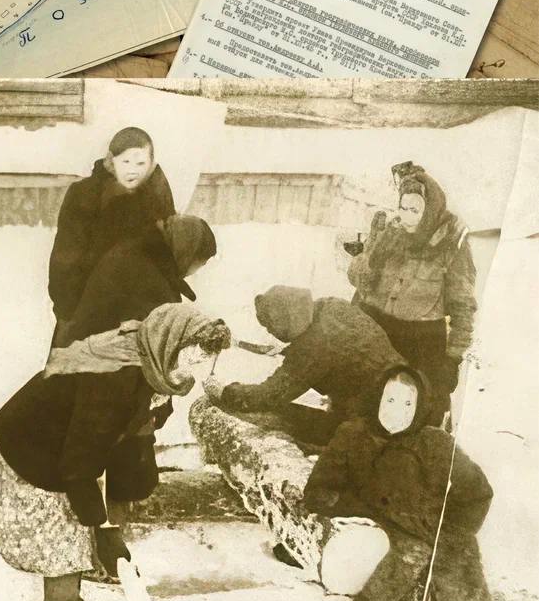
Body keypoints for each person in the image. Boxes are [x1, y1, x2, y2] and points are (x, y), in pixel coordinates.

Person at [0, 303, 231, 601]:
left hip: (68, 444)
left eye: (204, 362)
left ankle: (71, 600)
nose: (196, 372)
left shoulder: (153, 357)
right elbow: (79, 465)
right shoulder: (112, 380)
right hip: (34, 445)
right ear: (170, 343)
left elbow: (134, 422)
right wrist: (103, 530)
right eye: (193, 359)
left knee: (78, 527)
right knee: (64, 545)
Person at [302, 365, 505, 601]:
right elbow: (318, 491)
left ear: (420, 407)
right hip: (387, 533)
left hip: (434, 532)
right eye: (391, 401)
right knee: (409, 559)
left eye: (408, 404)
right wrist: (363, 510)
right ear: (377, 399)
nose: (397, 412)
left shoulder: (435, 443)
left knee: (457, 561)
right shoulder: (353, 435)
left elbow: (478, 492)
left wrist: (453, 531)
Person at [346, 162, 477, 426]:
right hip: (378, 330)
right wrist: (375, 251)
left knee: (418, 415)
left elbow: (463, 307)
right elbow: (358, 280)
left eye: (414, 210)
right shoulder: (392, 233)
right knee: (359, 408)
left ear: (430, 210)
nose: (406, 217)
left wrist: (452, 358)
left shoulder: (452, 243)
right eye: (403, 208)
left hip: (421, 343)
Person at [203, 285, 403, 445]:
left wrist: (225, 392)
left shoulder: (314, 346)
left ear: (289, 319)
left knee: (274, 417)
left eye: (272, 326)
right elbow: (340, 347)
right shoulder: (330, 306)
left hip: (378, 421)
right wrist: (292, 350)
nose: (271, 332)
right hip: (403, 392)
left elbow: (271, 394)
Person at [48, 126, 175, 345]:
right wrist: (67, 313)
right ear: (111, 161)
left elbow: (168, 253)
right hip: (87, 308)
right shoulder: (84, 194)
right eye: (125, 162)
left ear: (151, 163)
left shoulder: (156, 195)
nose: (132, 170)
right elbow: (65, 258)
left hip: (142, 311)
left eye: (140, 163)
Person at [63, 213, 217, 346]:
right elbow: (157, 340)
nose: (194, 272)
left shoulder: (142, 253)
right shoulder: (149, 277)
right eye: (198, 263)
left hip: (83, 347)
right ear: (187, 253)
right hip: (96, 360)